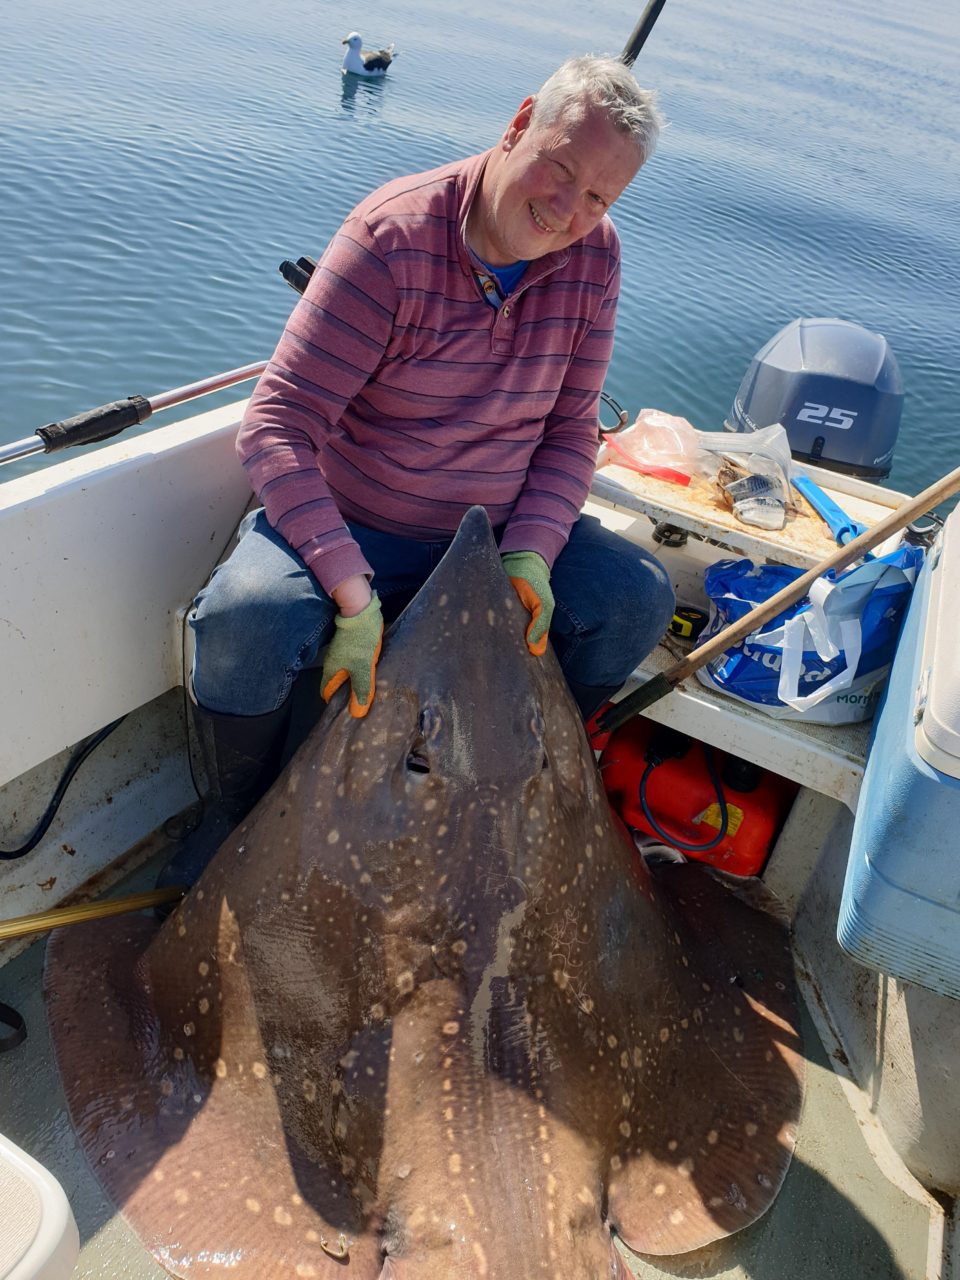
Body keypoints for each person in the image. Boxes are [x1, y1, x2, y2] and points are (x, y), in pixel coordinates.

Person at [160, 54, 675, 890]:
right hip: (358, 520)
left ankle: (512, 788)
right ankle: (237, 813)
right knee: (244, 621)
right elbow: (278, 425)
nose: (568, 209)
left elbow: (571, 431)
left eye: (598, 198)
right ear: (518, 126)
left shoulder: (596, 259)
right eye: (561, 169)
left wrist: (532, 552)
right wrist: (349, 589)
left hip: (495, 537)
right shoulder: (392, 238)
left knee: (633, 596)